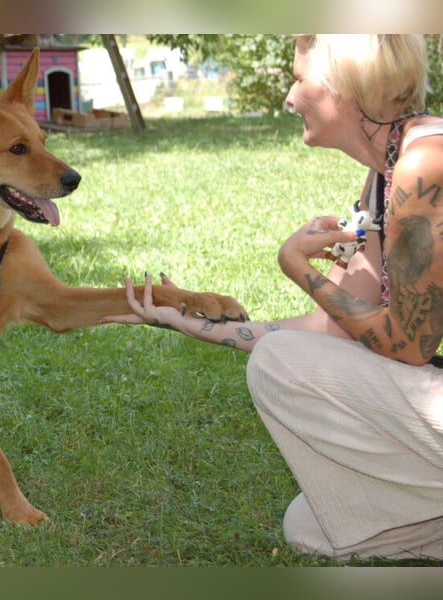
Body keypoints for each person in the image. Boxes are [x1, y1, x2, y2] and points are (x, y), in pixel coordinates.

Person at [102, 34, 443, 562]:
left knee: (276, 363)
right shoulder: (385, 176)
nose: (288, 96)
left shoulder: (426, 164)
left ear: (344, 87)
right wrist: (187, 323)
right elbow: (334, 329)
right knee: (307, 526)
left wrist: (298, 269)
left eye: (299, 79)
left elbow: (406, 346)